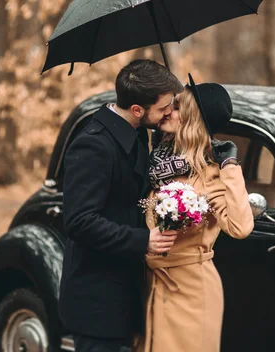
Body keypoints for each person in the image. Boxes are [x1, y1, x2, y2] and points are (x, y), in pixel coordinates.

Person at [60, 59, 184, 352]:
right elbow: (79, 221)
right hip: (96, 299)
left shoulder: (140, 133)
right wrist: (143, 240)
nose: (169, 110)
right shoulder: (93, 145)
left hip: (127, 292)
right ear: (138, 110)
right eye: (164, 106)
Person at [135, 76, 254, 352]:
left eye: (177, 108)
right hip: (151, 286)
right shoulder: (156, 165)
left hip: (191, 292)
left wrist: (230, 166)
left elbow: (241, 227)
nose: (168, 110)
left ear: (191, 120)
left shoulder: (211, 173)